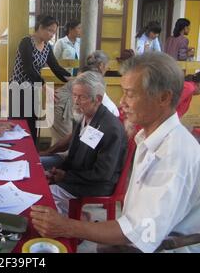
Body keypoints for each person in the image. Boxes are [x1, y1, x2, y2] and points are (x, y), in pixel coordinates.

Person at [31, 52, 200, 253]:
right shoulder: (147, 138)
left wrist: (68, 226)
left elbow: (141, 230)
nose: (122, 103)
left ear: (163, 97)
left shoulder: (174, 155)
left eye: (130, 94)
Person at [43, 71, 127, 215]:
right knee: (41, 179)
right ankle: (75, 216)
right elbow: (75, 154)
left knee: (45, 196)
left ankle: (75, 223)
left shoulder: (110, 127)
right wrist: (57, 171)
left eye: (81, 97)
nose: (75, 101)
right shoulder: (86, 116)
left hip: (96, 184)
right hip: (80, 174)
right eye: (74, 95)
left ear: (98, 99)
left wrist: (66, 176)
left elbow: (102, 174)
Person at [9, 15, 70, 144]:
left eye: (54, 32)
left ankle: (31, 154)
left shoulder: (47, 47)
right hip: (18, 89)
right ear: (40, 28)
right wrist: (44, 86)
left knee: (32, 124)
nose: (52, 35)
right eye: (50, 30)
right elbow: (28, 68)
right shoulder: (26, 42)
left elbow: (56, 67)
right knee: (18, 123)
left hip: (33, 90)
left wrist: (72, 80)